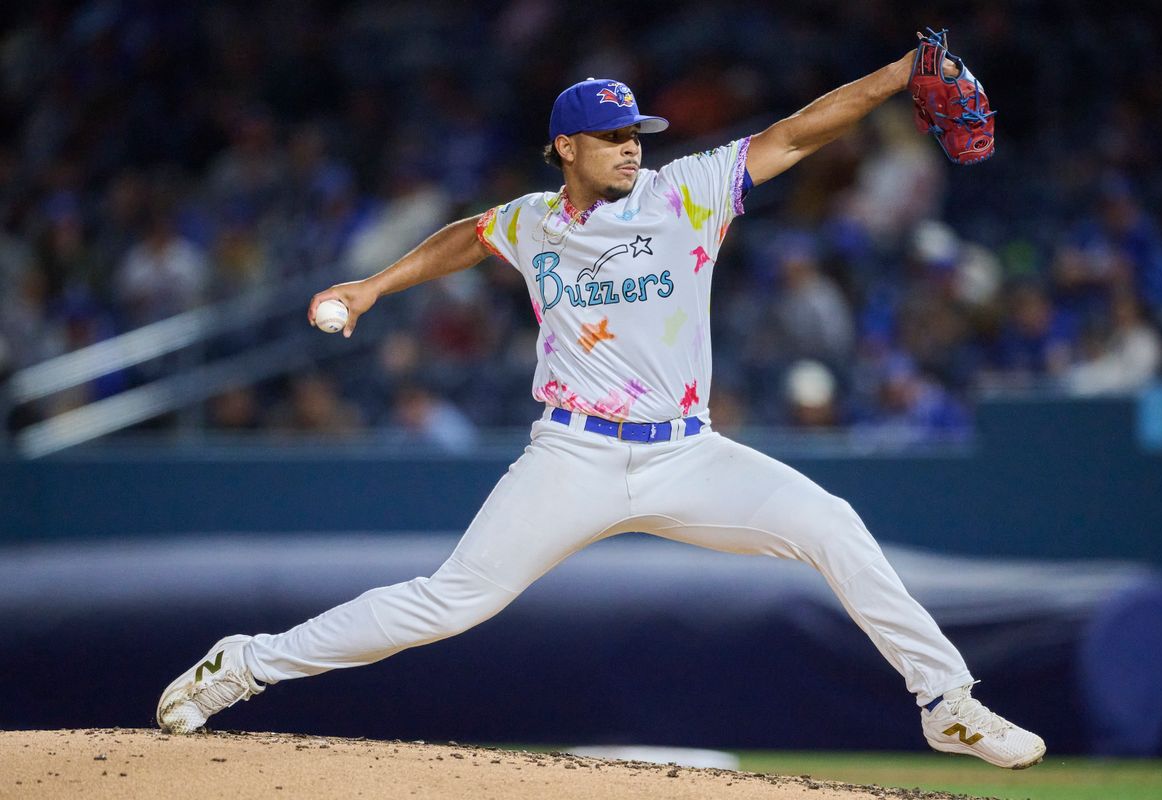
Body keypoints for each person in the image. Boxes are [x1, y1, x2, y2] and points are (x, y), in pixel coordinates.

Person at [157, 47, 1046, 770]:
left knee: (834, 523)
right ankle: (244, 664)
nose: (632, 147)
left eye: (635, 133)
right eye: (612, 136)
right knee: (448, 604)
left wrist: (898, 75)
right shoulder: (533, 220)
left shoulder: (687, 194)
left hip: (687, 455)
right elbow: (465, 238)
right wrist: (374, 286)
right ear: (567, 150)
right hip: (572, 458)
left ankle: (946, 702)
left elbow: (796, 133)